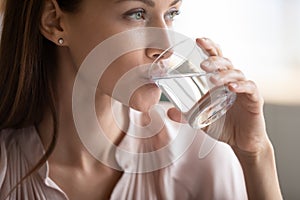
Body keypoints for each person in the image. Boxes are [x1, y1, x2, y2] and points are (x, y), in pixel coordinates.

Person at [0, 0, 282, 199]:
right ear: (55, 21)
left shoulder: (199, 159)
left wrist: (256, 154)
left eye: (172, 13)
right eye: (137, 13)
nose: (166, 47)